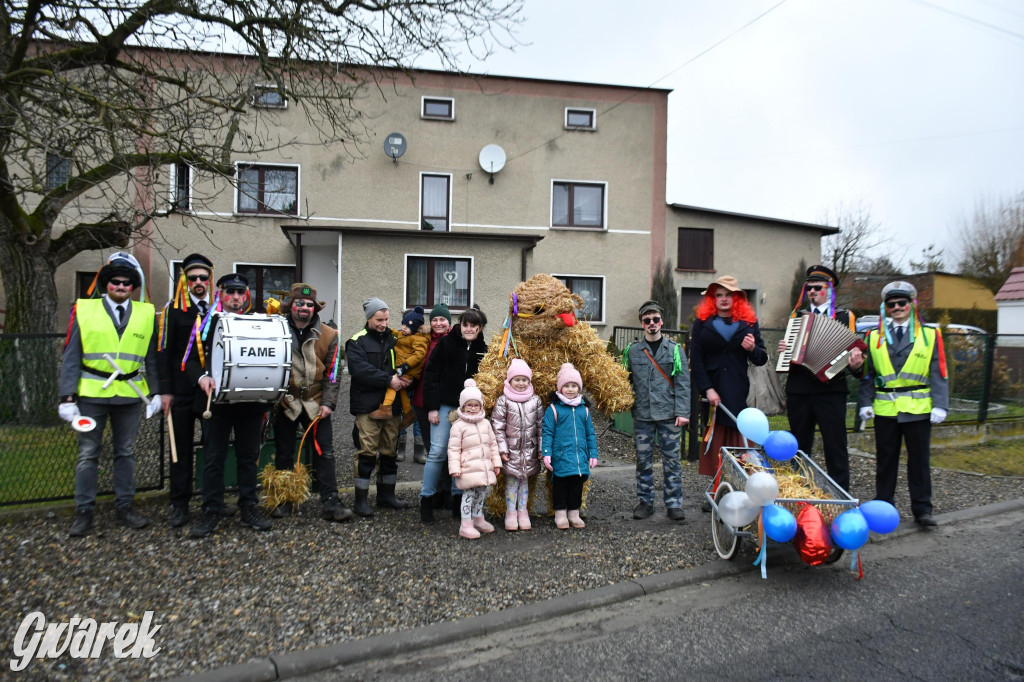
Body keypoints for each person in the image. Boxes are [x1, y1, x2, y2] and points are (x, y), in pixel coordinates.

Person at [59, 253, 161, 537]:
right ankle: (84, 512)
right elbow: (71, 356)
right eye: (115, 281)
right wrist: (67, 397)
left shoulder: (145, 314)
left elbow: (151, 358)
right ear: (106, 284)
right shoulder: (84, 310)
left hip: (129, 396)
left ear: (133, 286)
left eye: (127, 283)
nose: (121, 286)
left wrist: (155, 392)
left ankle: (125, 507)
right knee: (88, 454)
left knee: (126, 453)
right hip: (92, 395)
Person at [187, 273, 273, 537]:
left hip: (249, 402)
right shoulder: (207, 323)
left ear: (245, 296)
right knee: (214, 457)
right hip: (217, 402)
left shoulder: (258, 322)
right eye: (230, 292)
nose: (236, 297)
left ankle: (248, 507)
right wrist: (202, 377)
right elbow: (190, 359)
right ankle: (211, 510)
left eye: (240, 293)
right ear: (221, 294)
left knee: (248, 457)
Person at [858, 281, 948, 528]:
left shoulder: (930, 335)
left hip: (918, 410)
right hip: (886, 409)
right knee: (885, 461)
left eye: (902, 303)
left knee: (919, 462)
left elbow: (939, 371)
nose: (897, 307)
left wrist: (941, 405)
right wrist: (864, 403)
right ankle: (884, 504)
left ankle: (922, 510)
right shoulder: (872, 336)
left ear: (911, 305)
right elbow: (867, 374)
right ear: (885, 308)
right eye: (891, 304)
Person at [272, 283, 353, 523]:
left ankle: (330, 501)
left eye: (309, 304)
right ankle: (285, 500)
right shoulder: (276, 330)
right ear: (291, 306)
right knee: (284, 453)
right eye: (300, 303)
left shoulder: (330, 335)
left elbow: (333, 372)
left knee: (325, 453)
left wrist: (328, 402)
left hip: (316, 402)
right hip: (286, 402)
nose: (305, 308)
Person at [778, 264, 864, 492]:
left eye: (817, 288)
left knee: (835, 446)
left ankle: (840, 494)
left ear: (829, 290)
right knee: (799, 446)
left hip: (831, 392)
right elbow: (789, 360)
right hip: (800, 391)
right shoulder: (798, 317)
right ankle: (798, 491)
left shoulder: (845, 317)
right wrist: (786, 350)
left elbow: (854, 355)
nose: (812, 292)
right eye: (809, 288)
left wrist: (857, 365)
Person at [689, 276, 768, 505]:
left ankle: (743, 488)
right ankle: (717, 491)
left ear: (737, 298)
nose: (724, 299)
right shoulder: (702, 323)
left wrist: (753, 348)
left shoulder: (749, 323)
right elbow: (697, 361)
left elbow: (761, 358)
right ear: (713, 299)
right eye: (719, 295)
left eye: (728, 295)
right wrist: (707, 389)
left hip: (738, 390)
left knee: (739, 439)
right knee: (717, 443)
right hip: (713, 393)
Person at [158, 252, 213, 528]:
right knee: (180, 450)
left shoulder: (217, 310)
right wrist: (164, 391)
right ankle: (179, 504)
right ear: (185, 281)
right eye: (193, 278)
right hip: (180, 391)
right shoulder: (173, 310)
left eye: (203, 277)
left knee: (211, 449)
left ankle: (209, 502)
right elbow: (165, 352)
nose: (199, 282)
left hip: (208, 393)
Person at [420, 304, 488, 524]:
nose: (469, 329)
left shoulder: (483, 350)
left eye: (473, 326)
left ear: (480, 328)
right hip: (444, 406)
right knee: (438, 452)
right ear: (461, 325)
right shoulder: (446, 344)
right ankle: (426, 499)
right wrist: (432, 407)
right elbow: (431, 374)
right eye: (466, 324)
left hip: (469, 412)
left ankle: (459, 501)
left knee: (462, 455)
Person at [623, 300, 690, 522]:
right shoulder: (632, 351)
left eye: (655, 319)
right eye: (647, 320)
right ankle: (645, 502)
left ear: (662, 322)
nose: (652, 323)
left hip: (669, 414)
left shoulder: (675, 350)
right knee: (643, 461)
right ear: (642, 324)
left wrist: (683, 412)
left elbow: (682, 383)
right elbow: (625, 383)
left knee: (672, 461)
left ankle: (674, 503)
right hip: (643, 414)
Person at [347, 297, 412, 517]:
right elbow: (360, 370)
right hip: (367, 407)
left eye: (386, 319)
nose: (383, 324)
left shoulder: (395, 339)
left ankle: (386, 496)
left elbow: (407, 360)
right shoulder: (356, 341)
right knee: (366, 452)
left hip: (392, 407)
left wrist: (407, 378)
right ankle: (361, 501)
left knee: (389, 451)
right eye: (378, 320)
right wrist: (389, 380)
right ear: (368, 318)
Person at [541, 363, 598, 530]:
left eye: (574, 386)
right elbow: (548, 432)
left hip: (579, 458)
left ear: (579, 388)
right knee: (560, 485)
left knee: (576, 486)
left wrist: (593, 453)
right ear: (560, 388)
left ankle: (574, 513)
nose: (571, 389)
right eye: (567, 386)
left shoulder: (583, 410)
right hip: (561, 456)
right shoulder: (554, 409)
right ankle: (560, 514)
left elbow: (590, 434)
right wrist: (546, 453)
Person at [491, 358, 544, 531]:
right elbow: (497, 426)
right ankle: (511, 512)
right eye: (517, 380)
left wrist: (541, 448)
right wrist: (502, 449)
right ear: (510, 381)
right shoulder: (504, 401)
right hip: (511, 451)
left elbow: (541, 426)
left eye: (524, 380)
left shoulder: (535, 401)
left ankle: (523, 511)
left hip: (529, 449)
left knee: (525, 482)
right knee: (512, 482)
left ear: (529, 381)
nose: (521, 383)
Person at [447, 379, 502, 539]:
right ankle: (466, 524)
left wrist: (496, 463)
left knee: (481, 494)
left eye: (476, 405)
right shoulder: (458, 426)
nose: (472, 408)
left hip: (484, 468)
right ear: (463, 406)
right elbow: (454, 449)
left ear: (481, 406)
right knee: (468, 496)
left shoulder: (485, 423)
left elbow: (492, 444)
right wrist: (455, 468)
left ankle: (478, 517)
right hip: (468, 469)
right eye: (469, 405)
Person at [370, 306, 429, 438]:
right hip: (403, 368)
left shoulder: (418, 339)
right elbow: (397, 334)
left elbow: (419, 355)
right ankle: (408, 413)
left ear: (414, 328)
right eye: (402, 324)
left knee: (393, 386)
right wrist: (387, 329)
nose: (403, 328)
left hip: (408, 370)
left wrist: (406, 366)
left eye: (406, 326)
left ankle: (385, 408)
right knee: (402, 392)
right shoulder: (404, 334)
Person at [410, 303, 452, 468]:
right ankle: (435, 488)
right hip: (422, 401)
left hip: (445, 403)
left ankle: (447, 489)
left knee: (446, 449)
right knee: (431, 448)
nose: (438, 323)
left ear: (448, 321)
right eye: (434, 320)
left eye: (442, 319)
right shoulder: (424, 342)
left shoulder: (454, 341)